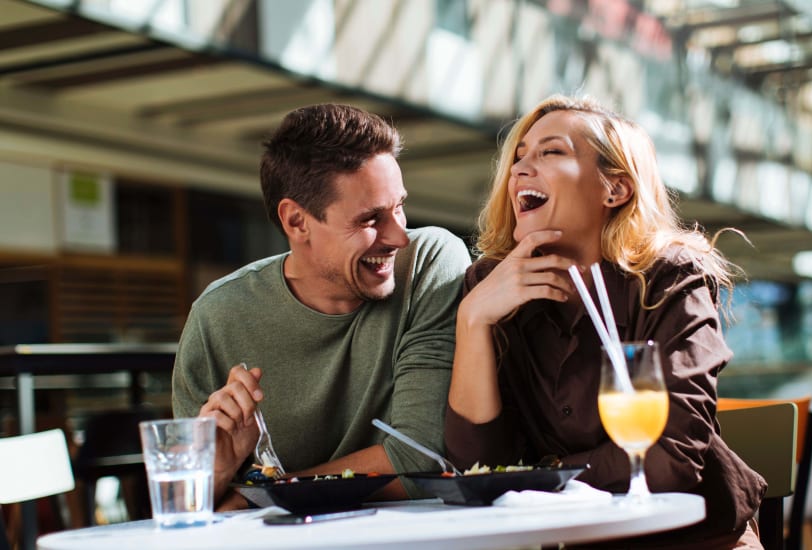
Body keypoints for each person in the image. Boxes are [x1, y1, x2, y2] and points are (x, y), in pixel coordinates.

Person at [445, 95, 766, 548]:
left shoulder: (671, 276)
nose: (519, 169)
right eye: (519, 157)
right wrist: (473, 320)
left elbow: (668, 459)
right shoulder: (490, 287)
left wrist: (542, 476)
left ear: (615, 189)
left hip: (693, 538)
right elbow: (477, 466)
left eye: (550, 152)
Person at [172, 103, 471, 508]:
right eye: (370, 219)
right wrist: (219, 473)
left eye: (399, 207)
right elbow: (187, 505)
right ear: (297, 222)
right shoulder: (217, 317)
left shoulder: (429, 264)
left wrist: (259, 496)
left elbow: (420, 460)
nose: (399, 237)